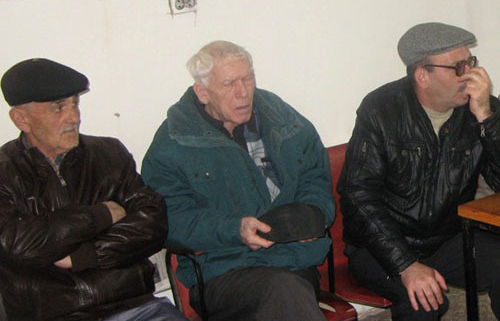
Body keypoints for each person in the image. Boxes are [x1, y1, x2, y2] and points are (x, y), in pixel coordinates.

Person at [142, 40, 335, 321]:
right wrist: (234, 229)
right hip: (222, 272)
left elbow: (314, 175)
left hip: (292, 260)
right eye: (229, 83)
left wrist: (313, 215)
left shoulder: (281, 117)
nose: (243, 93)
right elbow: (168, 219)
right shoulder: (174, 142)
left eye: (248, 78)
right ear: (202, 92)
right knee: (283, 293)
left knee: (285, 293)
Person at [0, 58, 187, 321]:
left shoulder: (108, 153)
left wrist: (84, 255)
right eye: (58, 108)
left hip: (134, 308)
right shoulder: (4, 172)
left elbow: (152, 223)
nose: (74, 117)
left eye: (75, 103)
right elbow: (17, 244)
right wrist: (100, 215)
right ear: (21, 119)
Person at [338, 22, 500, 320]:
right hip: (381, 246)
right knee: (425, 301)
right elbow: (357, 195)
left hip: (445, 237)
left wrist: (487, 120)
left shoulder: (480, 110)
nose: (471, 75)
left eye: (471, 62)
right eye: (459, 66)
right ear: (423, 75)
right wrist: (406, 264)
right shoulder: (380, 110)